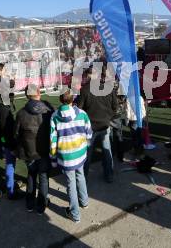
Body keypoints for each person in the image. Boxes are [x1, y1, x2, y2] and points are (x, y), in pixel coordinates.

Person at [50, 89, 92, 223]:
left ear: (60, 100)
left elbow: (53, 140)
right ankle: (84, 202)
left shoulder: (55, 116)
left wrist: (53, 157)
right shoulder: (82, 114)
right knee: (80, 176)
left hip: (66, 156)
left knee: (71, 183)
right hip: (80, 153)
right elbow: (89, 133)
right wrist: (84, 145)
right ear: (72, 99)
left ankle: (75, 214)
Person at [15, 84, 54, 214]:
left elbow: (16, 134)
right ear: (38, 93)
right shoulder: (48, 111)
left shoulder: (21, 113)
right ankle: (41, 205)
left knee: (32, 175)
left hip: (30, 152)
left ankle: (31, 203)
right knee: (42, 176)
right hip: (42, 151)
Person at [76, 66, 118, 182]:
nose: (86, 77)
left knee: (89, 153)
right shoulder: (107, 88)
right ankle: (108, 174)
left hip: (92, 127)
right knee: (106, 151)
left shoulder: (85, 89)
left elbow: (79, 109)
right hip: (103, 124)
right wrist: (108, 117)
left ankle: (84, 177)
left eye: (88, 75)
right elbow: (115, 107)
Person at [0, 63, 21, 199]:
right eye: (4, 70)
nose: (5, 72)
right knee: (6, 130)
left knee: (2, 131)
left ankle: (3, 148)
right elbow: (9, 84)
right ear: (0, 70)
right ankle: (7, 149)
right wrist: (11, 78)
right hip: (1, 107)